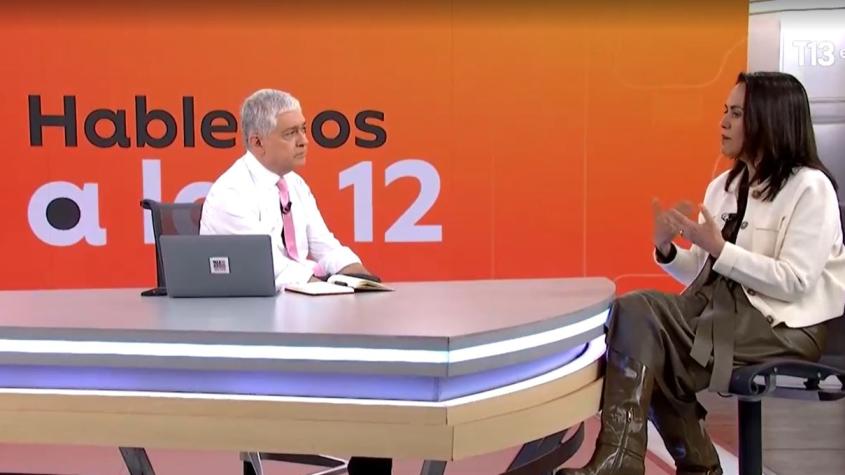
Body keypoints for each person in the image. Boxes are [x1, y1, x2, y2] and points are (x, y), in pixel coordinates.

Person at [557, 71, 845, 475]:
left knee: (641, 316)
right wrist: (667, 249)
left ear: (771, 118)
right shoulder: (723, 185)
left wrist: (721, 249)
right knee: (641, 330)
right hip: (718, 312)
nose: (723, 122)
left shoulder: (811, 188)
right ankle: (681, 464)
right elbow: (704, 270)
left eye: (737, 113)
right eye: (725, 111)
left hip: (783, 324)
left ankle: (652, 459)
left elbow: (795, 282)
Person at [200, 89, 392, 475]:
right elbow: (272, 271)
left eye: (304, 129)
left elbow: (325, 245)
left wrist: (357, 273)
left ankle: (371, 452)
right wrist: (330, 278)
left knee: (384, 381)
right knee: (370, 378)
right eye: (290, 133)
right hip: (255, 338)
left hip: (298, 321)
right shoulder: (230, 194)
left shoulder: (294, 186)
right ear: (257, 142)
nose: (304, 140)